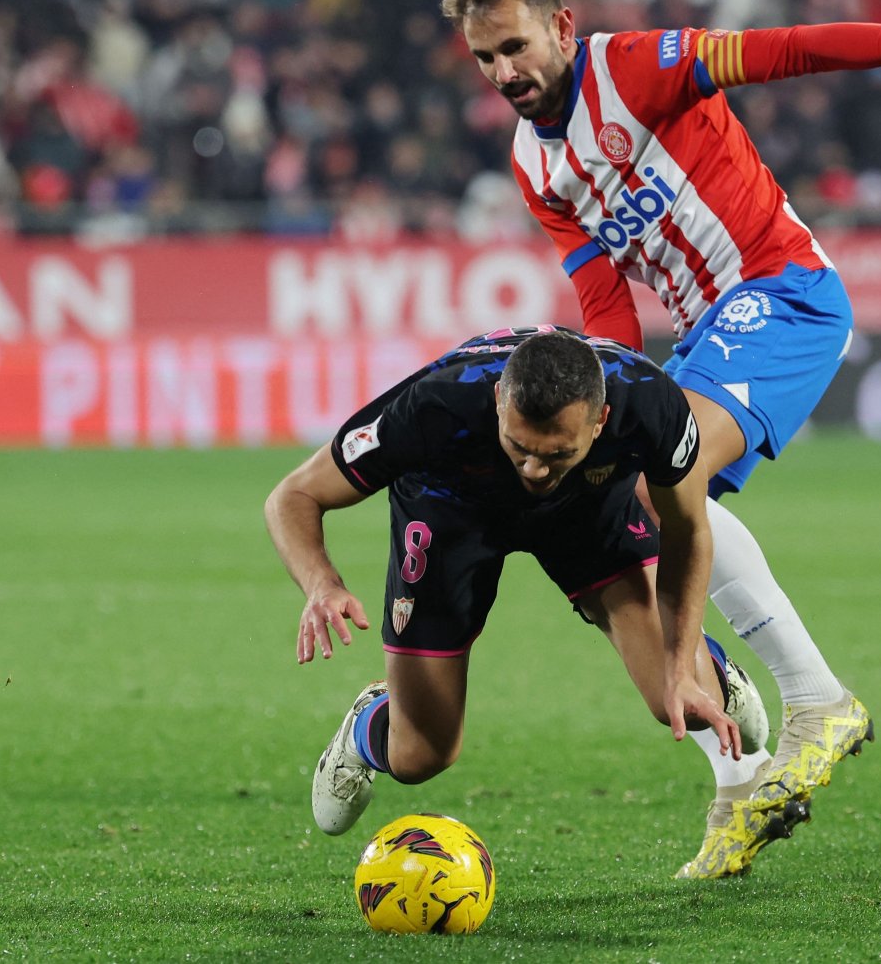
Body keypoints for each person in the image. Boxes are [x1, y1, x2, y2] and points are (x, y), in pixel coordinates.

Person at [442, 0, 881, 874]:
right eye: (484, 59)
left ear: (560, 26)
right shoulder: (533, 164)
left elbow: (783, 48)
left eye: (514, 47)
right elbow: (602, 299)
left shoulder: (635, 67)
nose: (504, 73)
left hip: (781, 292)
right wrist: (609, 409)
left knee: (660, 485)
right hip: (708, 331)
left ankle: (811, 701)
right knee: (621, 505)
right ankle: (738, 760)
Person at [266, 327, 802, 880]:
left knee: (682, 701)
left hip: (589, 509)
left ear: (601, 420)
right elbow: (293, 495)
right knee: (420, 757)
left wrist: (680, 657)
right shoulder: (432, 405)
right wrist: (321, 584)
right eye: (519, 447)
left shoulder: (651, 400)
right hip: (450, 511)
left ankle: (706, 667)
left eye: (556, 452)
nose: (534, 470)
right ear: (499, 401)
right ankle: (370, 721)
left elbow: (689, 529)